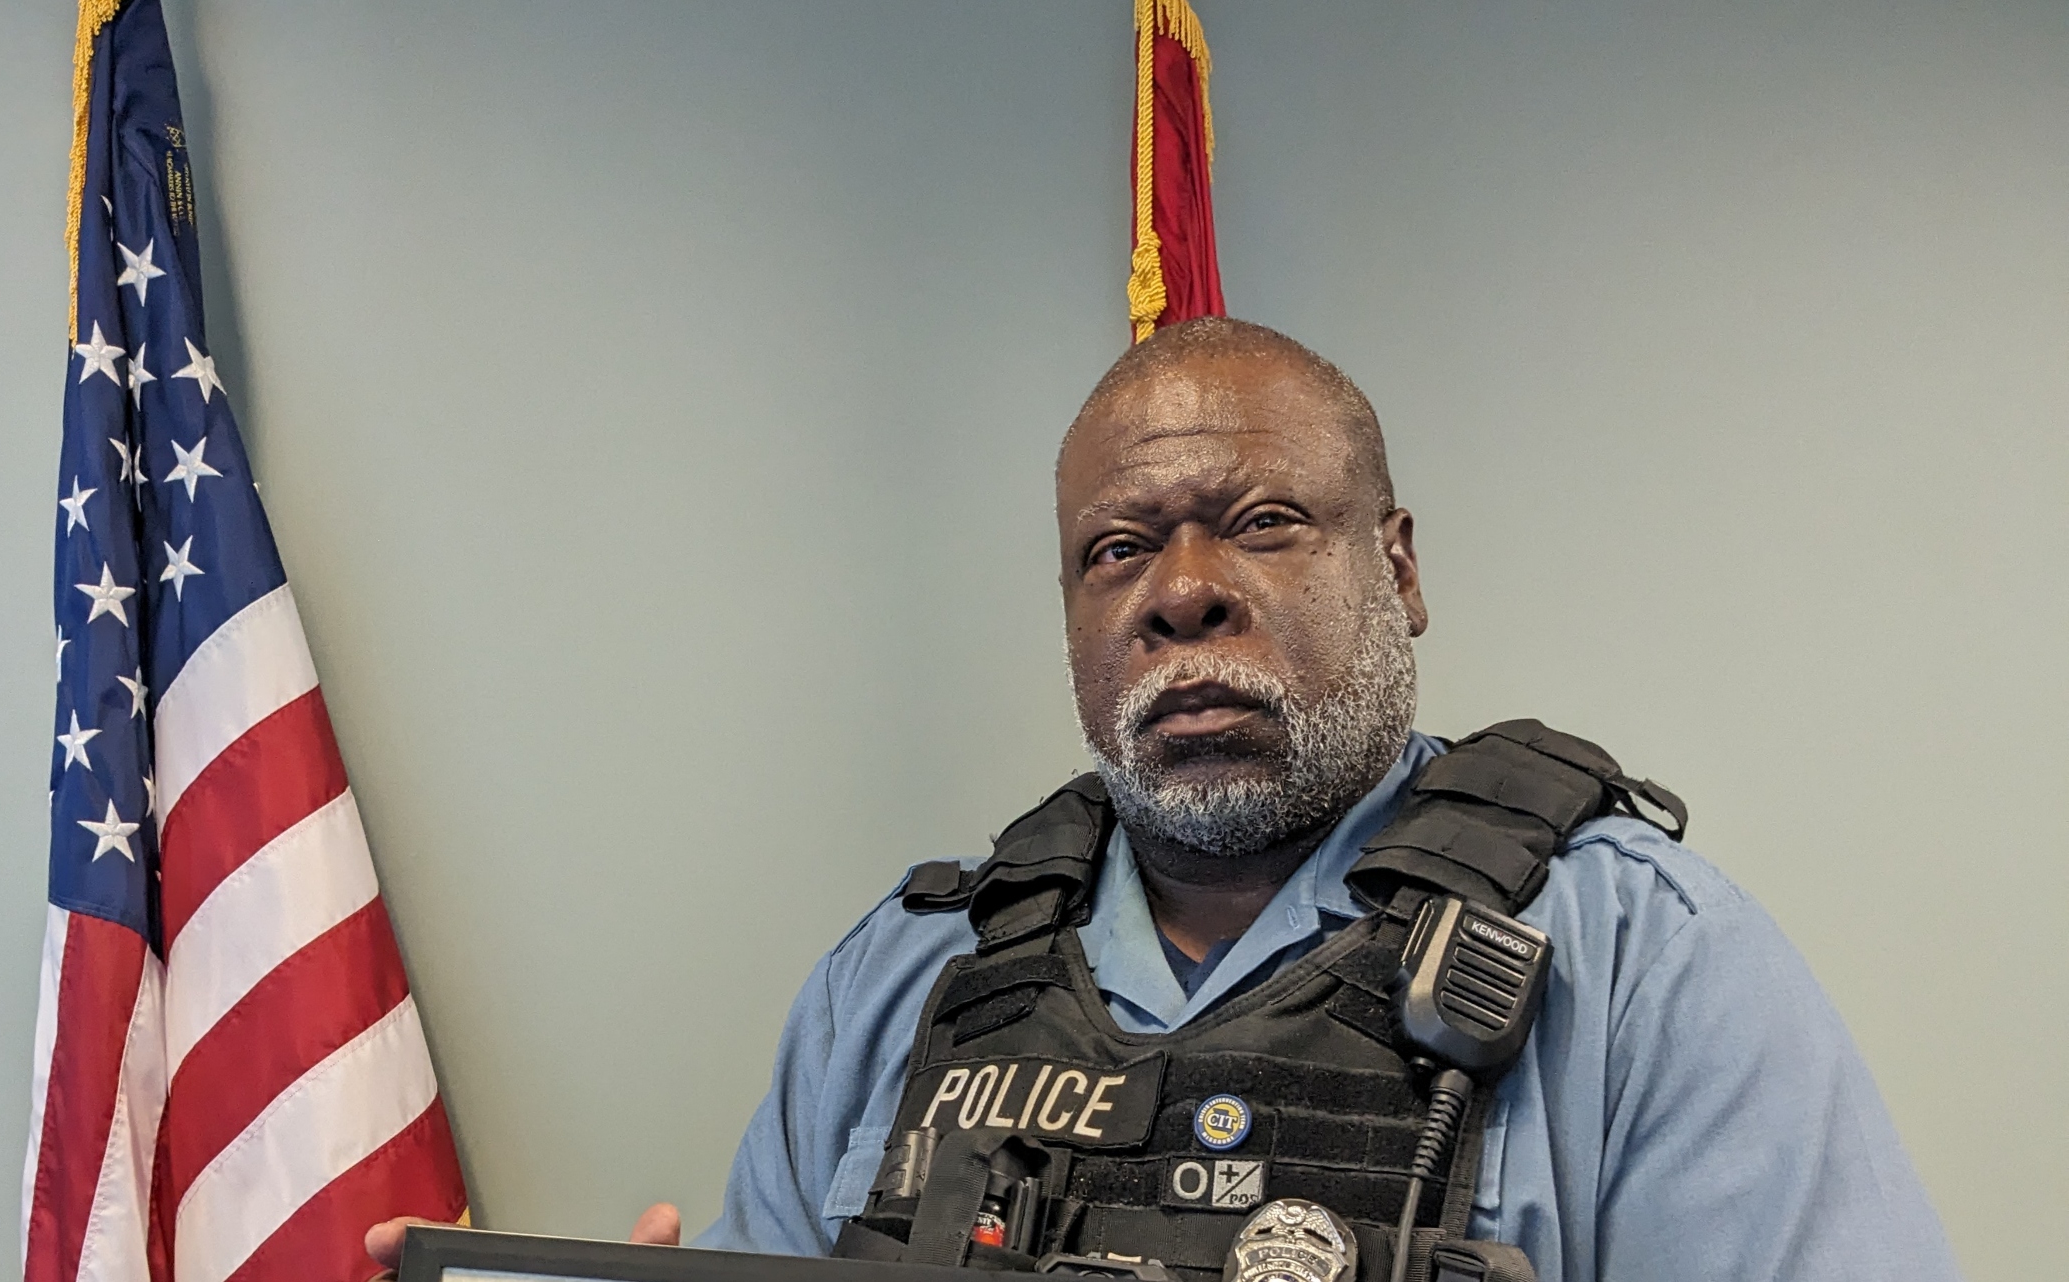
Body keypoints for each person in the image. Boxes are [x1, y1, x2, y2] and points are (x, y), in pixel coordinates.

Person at [367, 318, 1959, 1281]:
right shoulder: (905, 979)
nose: (1181, 594)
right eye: (1116, 549)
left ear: (1395, 567)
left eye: (1261, 521)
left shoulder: (1645, 962)